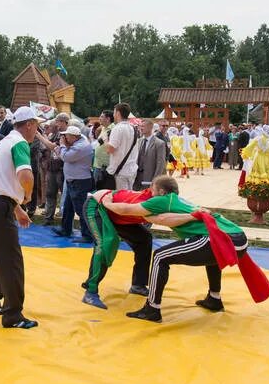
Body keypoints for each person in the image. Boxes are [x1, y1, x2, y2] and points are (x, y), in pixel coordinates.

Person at [101, 175, 249, 323]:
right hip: (237, 239)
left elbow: (126, 209)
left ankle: (152, 308)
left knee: (160, 256)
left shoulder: (162, 200)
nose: (149, 194)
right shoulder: (178, 201)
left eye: (152, 190)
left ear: (162, 191)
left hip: (222, 240)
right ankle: (214, 298)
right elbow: (162, 219)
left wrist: (107, 203)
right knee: (213, 256)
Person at [0, 106, 41, 329]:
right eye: (36, 126)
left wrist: (17, 208)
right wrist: (28, 195)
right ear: (29, 125)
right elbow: (25, 174)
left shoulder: (2, 143)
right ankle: (13, 314)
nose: (37, 131)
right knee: (11, 260)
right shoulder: (19, 143)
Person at [80, 188, 154, 309]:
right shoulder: (143, 202)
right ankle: (90, 291)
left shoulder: (164, 201)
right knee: (104, 245)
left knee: (144, 239)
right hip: (98, 207)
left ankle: (138, 284)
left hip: (116, 213)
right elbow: (123, 209)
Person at [45, 126, 94, 243]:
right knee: (68, 207)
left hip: (80, 182)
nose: (64, 138)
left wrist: (62, 145)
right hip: (74, 180)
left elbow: (65, 157)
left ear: (73, 136)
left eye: (66, 136)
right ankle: (66, 229)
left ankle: (87, 235)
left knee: (81, 209)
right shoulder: (78, 142)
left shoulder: (81, 147)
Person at [106, 103, 139, 190]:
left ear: (118, 113)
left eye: (114, 112)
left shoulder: (117, 128)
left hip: (120, 171)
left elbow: (110, 149)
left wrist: (105, 140)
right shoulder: (133, 128)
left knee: (121, 200)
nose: (113, 115)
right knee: (129, 198)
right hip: (131, 169)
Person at [133, 120, 166, 190]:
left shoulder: (159, 143)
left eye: (143, 126)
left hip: (150, 178)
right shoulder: (139, 141)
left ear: (150, 127)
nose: (141, 128)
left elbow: (160, 163)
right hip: (137, 178)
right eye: (140, 126)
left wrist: (156, 180)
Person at [93, 110, 114, 189]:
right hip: (98, 165)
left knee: (103, 190)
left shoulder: (113, 129)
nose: (99, 118)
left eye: (102, 116)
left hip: (105, 167)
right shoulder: (103, 128)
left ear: (108, 119)